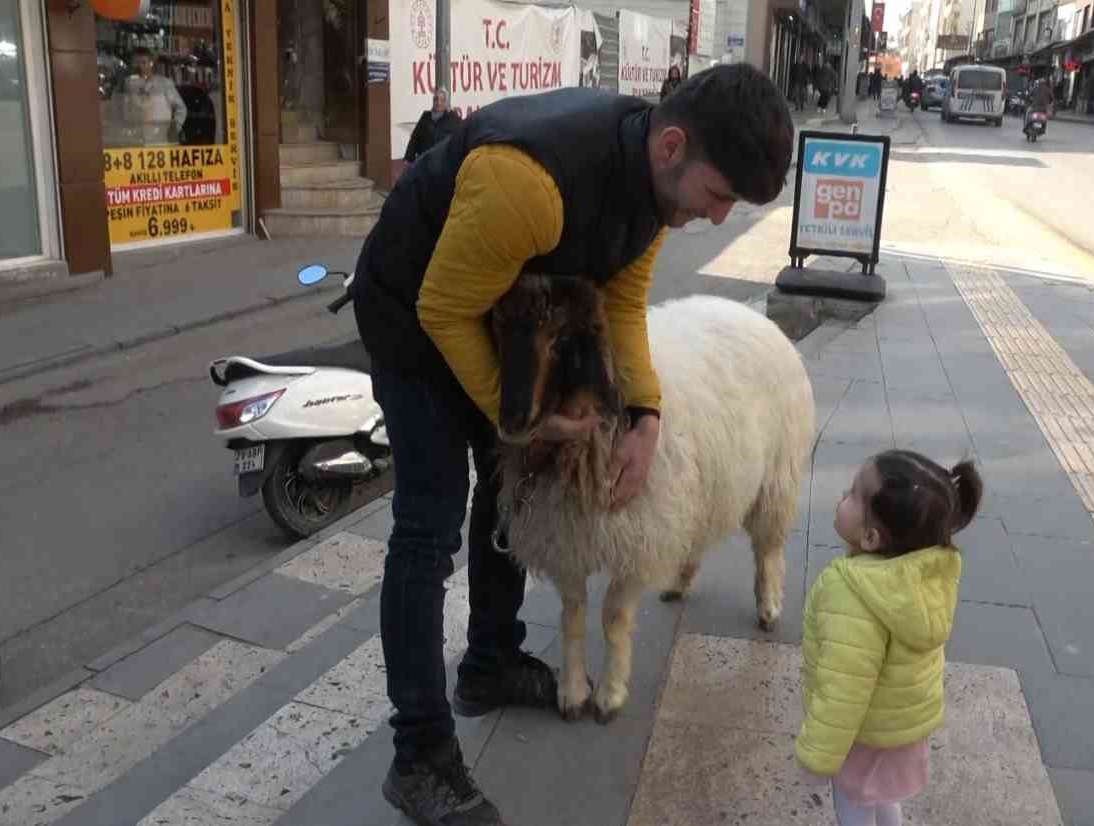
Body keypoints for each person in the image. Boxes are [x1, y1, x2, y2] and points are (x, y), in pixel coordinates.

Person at [347, 64, 793, 825]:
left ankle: (488, 661)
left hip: (497, 316)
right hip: (417, 315)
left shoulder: (655, 195)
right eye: (719, 196)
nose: (719, 218)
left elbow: (622, 302)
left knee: (505, 493)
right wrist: (516, 420)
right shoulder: (529, 182)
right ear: (674, 144)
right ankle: (419, 755)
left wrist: (646, 416)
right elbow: (444, 309)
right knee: (428, 524)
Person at [797, 449, 983, 826]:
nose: (841, 497)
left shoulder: (851, 592)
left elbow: (844, 687)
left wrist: (818, 753)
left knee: (853, 804)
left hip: (864, 735)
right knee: (882, 797)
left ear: (870, 538)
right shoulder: (925, 574)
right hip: (901, 729)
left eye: (852, 494)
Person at [120, 47, 186, 145]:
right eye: (136, 63)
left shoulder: (164, 84)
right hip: (137, 141)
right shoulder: (129, 84)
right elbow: (126, 111)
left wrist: (173, 129)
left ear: (151, 63)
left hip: (160, 141)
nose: (140, 66)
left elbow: (181, 108)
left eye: (143, 62)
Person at [403, 88, 463, 164]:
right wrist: (408, 158)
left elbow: (459, 139)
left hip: (444, 163)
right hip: (425, 162)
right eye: (436, 99)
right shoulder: (425, 117)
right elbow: (414, 139)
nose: (439, 103)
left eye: (442, 100)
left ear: (447, 102)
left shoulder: (453, 118)